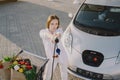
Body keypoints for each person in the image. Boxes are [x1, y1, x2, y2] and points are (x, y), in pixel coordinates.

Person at [40, 15, 68, 80]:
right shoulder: (43, 32)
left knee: (64, 72)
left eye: (56, 24)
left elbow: (59, 33)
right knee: (48, 74)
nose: (54, 26)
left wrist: (57, 35)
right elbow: (46, 34)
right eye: (52, 24)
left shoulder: (59, 30)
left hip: (62, 54)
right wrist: (51, 37)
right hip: (51, 57)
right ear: (48, 23)